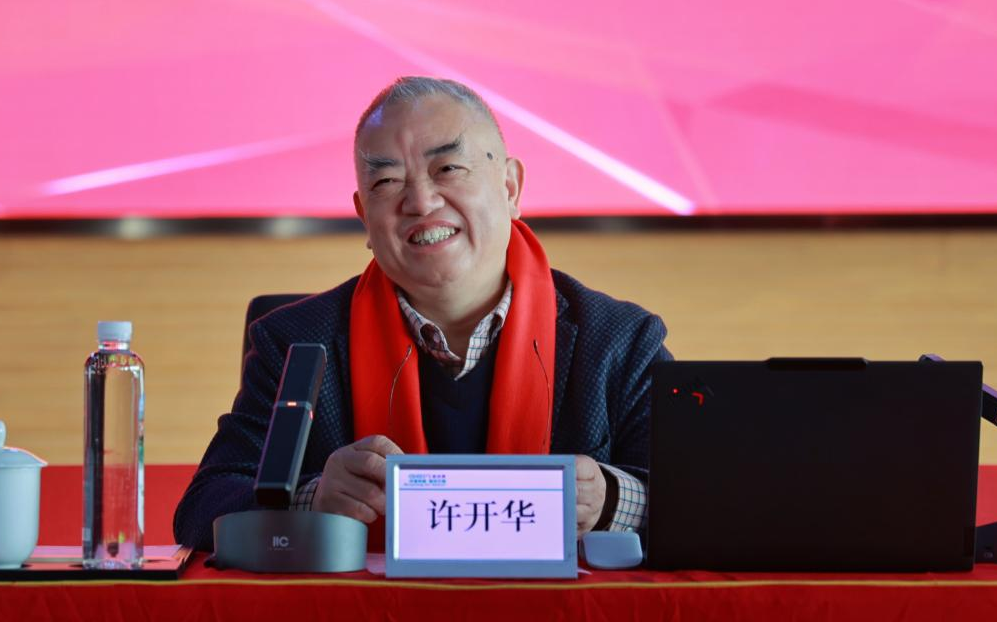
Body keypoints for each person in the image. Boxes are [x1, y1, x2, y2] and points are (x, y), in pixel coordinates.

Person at [173, 76, 671, 551]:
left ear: (510, 187)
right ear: (365, 218)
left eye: (447, 169)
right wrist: (312, 501)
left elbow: (704, 503)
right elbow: (204, 506)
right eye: (387, 181)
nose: (421, 201)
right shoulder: (296, 343)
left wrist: (610, 501)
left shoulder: (620, 341)